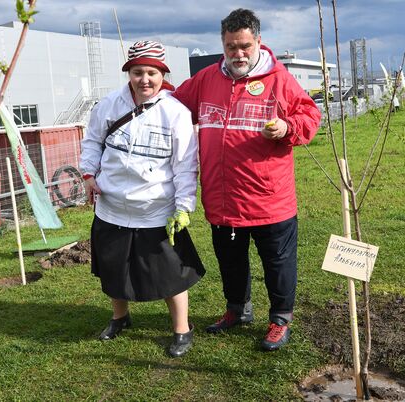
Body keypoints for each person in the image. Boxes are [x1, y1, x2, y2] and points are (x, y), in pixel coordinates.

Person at [173, 9, 321, 351]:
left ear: (257, 41)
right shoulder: (207, 79)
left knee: (278, 264)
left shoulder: (279, 79)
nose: (238, 54)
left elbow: (310, 114)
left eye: (243, 46)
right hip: (223, 199)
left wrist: (287, 128)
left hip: (270, 199)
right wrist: (150, 83)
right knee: (230, 261)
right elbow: (175, 105)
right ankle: (237, 310)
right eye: (230, 47)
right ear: (222, 45)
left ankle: (280, 319)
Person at [80, 40, 205, 358]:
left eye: (152, 72)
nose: (145, 79)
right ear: (129, 73)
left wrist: (184, 206)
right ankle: (119, 318)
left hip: (156, 210)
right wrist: (89, 175)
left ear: (163, 74)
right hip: (111, 207)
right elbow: (93, 141)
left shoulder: (176, 113)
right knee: (112, 268)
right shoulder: (108, 105)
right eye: (138, 72)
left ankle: (181, 329)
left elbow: (185, 165)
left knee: (169, 274)